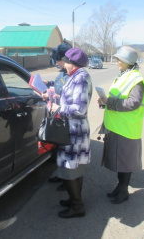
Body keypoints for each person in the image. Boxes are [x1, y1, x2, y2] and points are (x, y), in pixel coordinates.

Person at [97, 46, 144, 204]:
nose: (116, 61)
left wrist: (109, 102)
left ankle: (124, 191)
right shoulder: (123, 76)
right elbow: (117, 98)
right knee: (120, 162)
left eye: (120, 59)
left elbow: (133, 103)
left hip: (127, 128)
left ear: (128, 61)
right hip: (117, 126)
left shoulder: (136, 80)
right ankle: (120, 188)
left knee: (125, 163)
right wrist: (104, 102)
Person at [51, 47, 93, 218]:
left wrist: (59, 109)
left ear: (73, 64)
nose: (64, 64)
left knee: (69, 170)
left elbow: (79, 108)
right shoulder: (75, 76)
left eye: (66, 61)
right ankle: (74, 199)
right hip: (72, 129)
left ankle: (77, 206)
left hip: (74, 130)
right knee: (73, 168)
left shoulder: (81, 78)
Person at [43, 43, 71, 191]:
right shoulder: (62, 73)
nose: (56, 63)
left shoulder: (71, 75)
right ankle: (61, 175)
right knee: (59, 149)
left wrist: (56, 97)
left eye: (58, 60)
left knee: (66, 150)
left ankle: (68, 181)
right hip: (58, 115)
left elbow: (68, 96)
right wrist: (49, 84)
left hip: (66, 115)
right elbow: (58, 84)